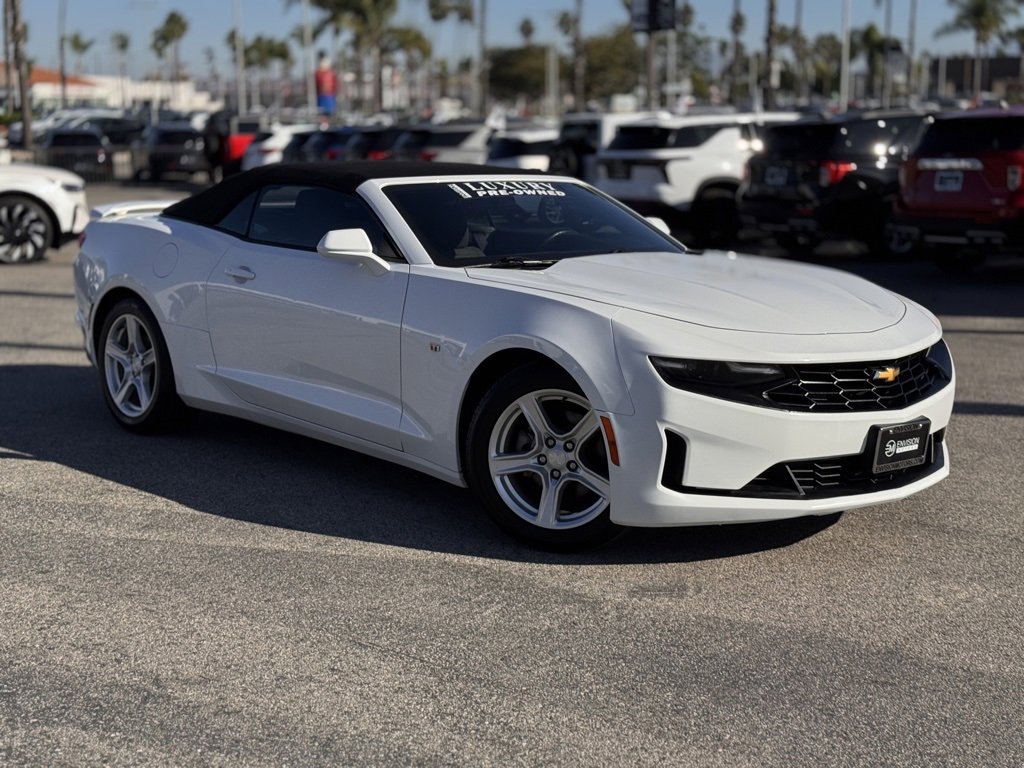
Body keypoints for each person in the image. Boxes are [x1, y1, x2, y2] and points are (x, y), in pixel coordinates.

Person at [314, 51, 337, 117]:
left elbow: (334, 84)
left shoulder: (330, 73)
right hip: (321, 97)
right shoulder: (318, 73)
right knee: (322, 114)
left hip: (329, 97)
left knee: (329, 114)